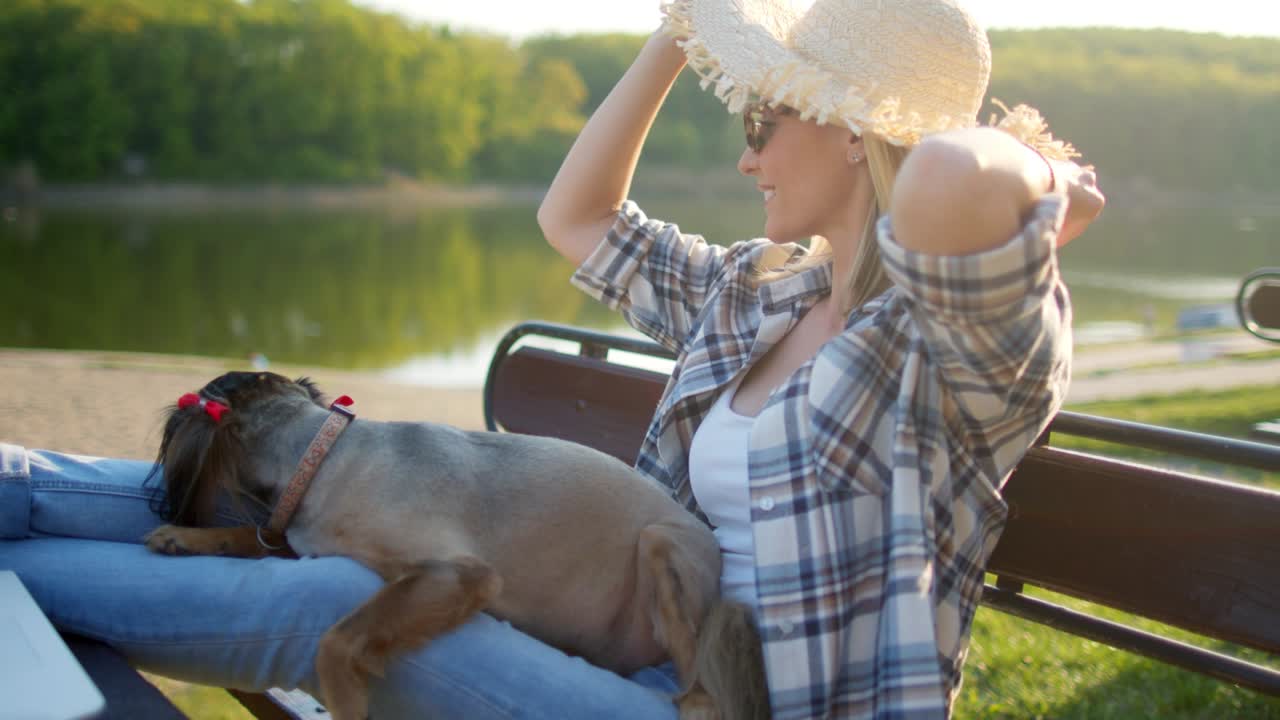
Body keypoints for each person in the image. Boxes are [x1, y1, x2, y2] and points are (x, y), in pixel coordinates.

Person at [0, 1, 1103, 719]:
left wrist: (1040, 175)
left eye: (764, 119)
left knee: (328, 600)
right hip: (634, 650)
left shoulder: (952, 352)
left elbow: (950, 181)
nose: (747, 155)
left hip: (747, 704)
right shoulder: (759, 294)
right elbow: (575, 217)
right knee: (167, 495)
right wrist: (683, 31)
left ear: (853, 131)